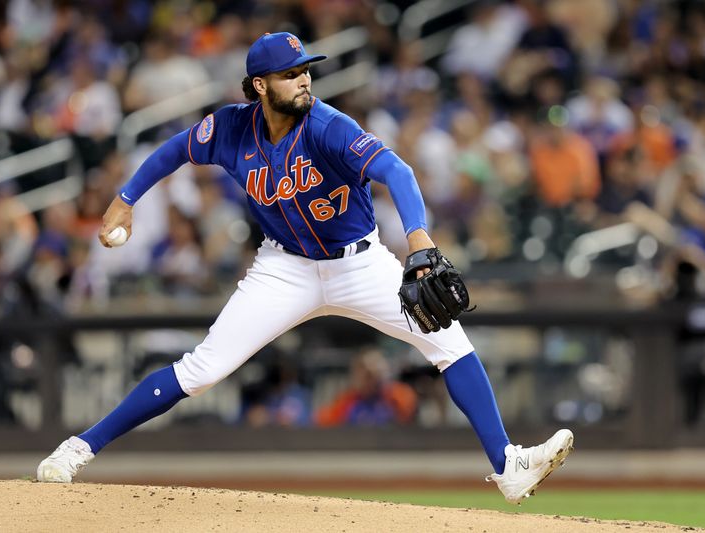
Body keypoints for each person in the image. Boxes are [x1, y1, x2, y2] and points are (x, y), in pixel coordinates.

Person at [36, 32, 574, 504]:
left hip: (360, 265)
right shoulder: (231, 129)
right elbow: (174, 150)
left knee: (450, 342)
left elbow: (398, 171)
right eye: (290, 74)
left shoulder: (329, 126)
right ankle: (78, 447)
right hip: (283, 269)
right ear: (259, 86)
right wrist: (126, 197)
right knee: (201, 371)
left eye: (305, 70)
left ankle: (508, 466)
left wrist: (418, 239)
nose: (304, 80)